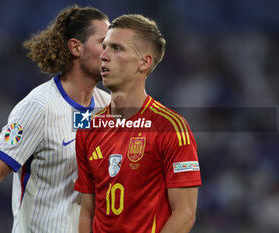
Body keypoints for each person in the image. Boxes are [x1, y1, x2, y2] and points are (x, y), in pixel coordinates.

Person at [0, 6, 111, 233]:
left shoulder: (108, 106)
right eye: (104, 43)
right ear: (76, 47)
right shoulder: (38, 108)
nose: (110, 53)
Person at [74, 14, 202, 233]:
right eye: (104, 47)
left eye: (116, 48)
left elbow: (185, 213)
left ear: (144, 62)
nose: (103, 56)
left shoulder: (170, 127)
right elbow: (87, 211)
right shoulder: (88, 127)